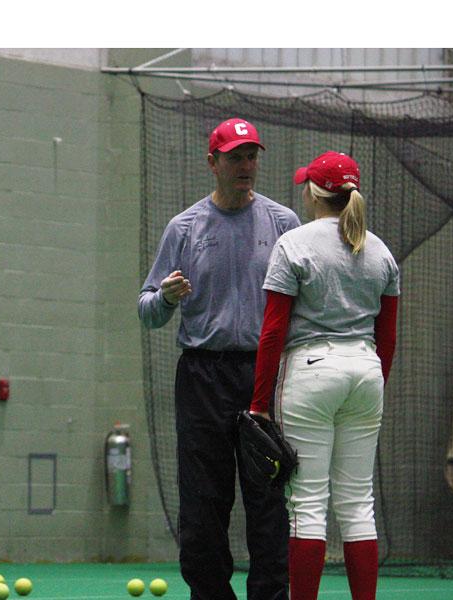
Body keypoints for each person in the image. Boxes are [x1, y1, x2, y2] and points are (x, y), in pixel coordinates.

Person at [138, 118, 301, 600]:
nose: (246, 165)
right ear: (213, 163)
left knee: (268, 498)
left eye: (252, 156)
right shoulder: (184, 228)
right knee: (204, 502)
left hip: (262, 376)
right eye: (235, 157)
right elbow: (146, 311)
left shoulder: (284, 224)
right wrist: (166, 297)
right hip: (202, 376)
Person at [249, 152, 399, 600]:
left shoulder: (293, 244)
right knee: (358, 507)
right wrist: (374, 388)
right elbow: (387, 337)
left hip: (312, 373)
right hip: (366, 372)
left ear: (313, 193)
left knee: (308, 507)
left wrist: (259, 403)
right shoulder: (380, 250)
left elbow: (273, 331)